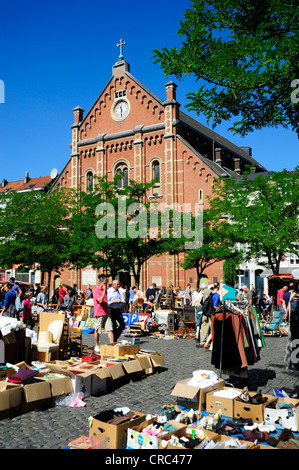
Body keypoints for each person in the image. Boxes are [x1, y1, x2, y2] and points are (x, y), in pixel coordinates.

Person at [93, 275, 114, 353]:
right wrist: (104, 291)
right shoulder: (95, 291)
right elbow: (100, 300)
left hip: (106, 312)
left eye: (107, 283)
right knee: (97, 330)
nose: (106, 285)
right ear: (100, 282)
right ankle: (97, 345)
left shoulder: (106, 290)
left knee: (110, 329)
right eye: (105, 283)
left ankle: (112, 344)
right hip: (99, 313)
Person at [196, 283, 212, 348]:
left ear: (202, 288)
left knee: (204, 327)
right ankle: (210, 341)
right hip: (211, 313)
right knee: (211, 329)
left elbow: (202, 304)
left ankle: (202, 342)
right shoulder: (211, 292)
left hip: (205, 313)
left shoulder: (204, 293)